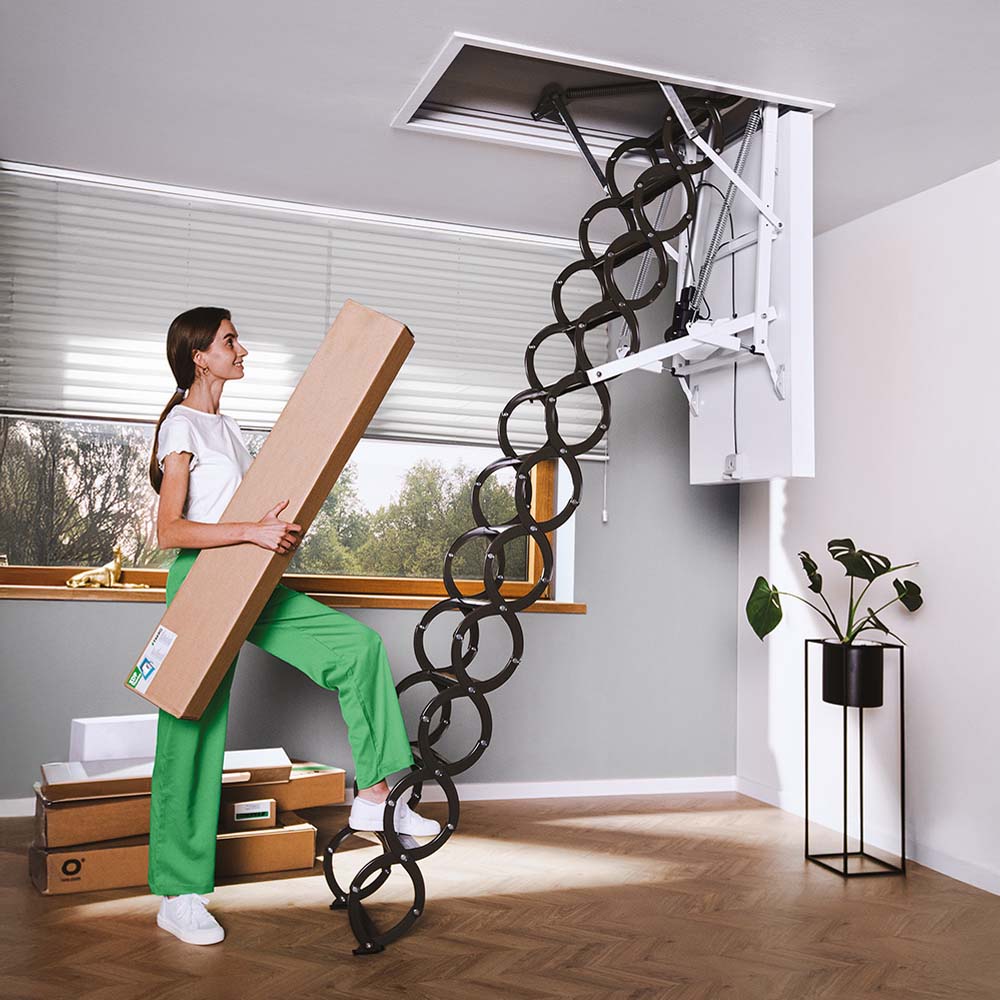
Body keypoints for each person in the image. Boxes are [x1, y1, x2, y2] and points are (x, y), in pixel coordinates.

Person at [147, 306, 438, 946]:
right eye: (230, 340)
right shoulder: (181, 426)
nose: (240, 347)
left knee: (357, 649)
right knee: (190, 731)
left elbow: (251, 510)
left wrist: (272, 531)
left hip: (252, 577)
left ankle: (378, 796)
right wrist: (252, 530)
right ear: (200, 355)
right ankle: (179, 893)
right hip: (200, 580)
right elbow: (168, 530)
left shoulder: (234, 429)